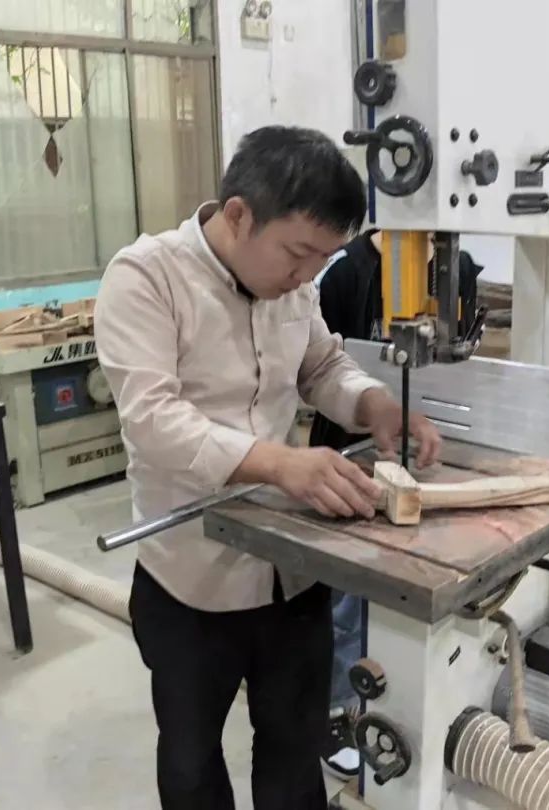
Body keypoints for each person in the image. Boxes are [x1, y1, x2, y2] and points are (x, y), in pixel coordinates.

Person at [94, 126, 439, 810]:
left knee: (293, 750)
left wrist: (372, 403)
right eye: (299, 254)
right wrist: (278, 463)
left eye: (323, 259)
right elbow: (153, 420)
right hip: (188, 579)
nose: (307, 275)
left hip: (291, 572)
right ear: (238, 215)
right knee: (191, 761)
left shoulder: (294, 286)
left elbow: (321, 364)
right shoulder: (146, 277)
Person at [309, 228, 481, 778]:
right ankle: (336, 709)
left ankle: (403, 699)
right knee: (346, 600)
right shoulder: (344, 272)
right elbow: (318, 371)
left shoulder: (459, 267)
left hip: (427, 441)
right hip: (350, 451)